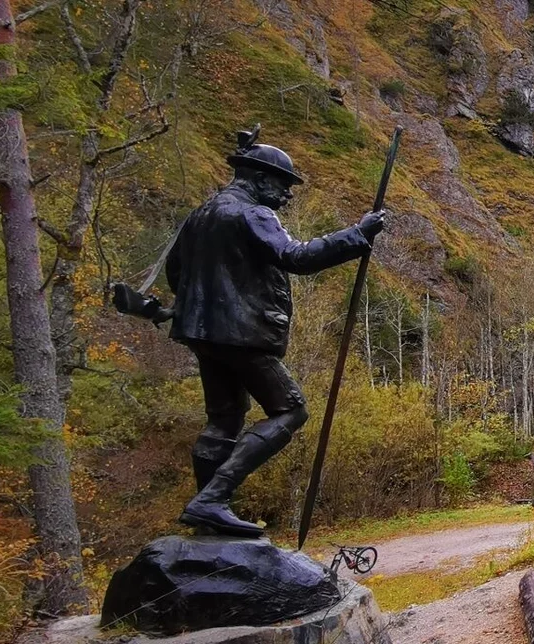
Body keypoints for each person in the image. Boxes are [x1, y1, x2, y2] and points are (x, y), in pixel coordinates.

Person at [163, 129, 385, 537]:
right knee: (290, 409)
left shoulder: (201, 214)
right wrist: (357, 234)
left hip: (202, 332)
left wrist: (198, 308)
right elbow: (294, 256)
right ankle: (213, 498)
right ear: (261, 178)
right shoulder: (253, 213)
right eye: (284, 185)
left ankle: (208, 521)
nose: (287, 195)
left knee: (223, 420)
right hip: (242, 333)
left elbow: (175, 271)